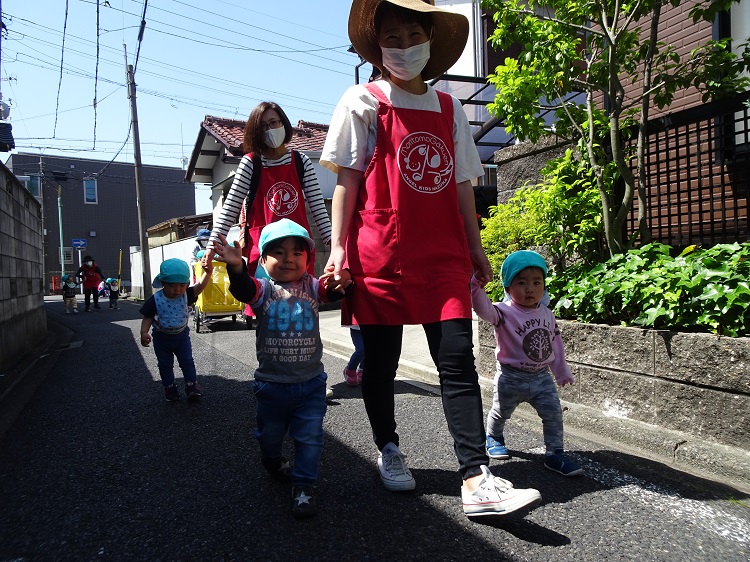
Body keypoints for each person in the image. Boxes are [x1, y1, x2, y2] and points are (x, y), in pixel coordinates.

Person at [320, 0, 541, 517]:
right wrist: (337, 249)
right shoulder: (362, 100)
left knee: (456, 360)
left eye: (413, 34)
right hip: (380, 253)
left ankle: (475, 476)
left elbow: (463, 184)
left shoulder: (448, 108)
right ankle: (389, 448)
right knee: (381, 363)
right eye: (391, 38)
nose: (403, 46)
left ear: (429, 39)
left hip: (442, 255)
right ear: (377, 47)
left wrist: (475, 247)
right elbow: (346, 181)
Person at [212, 219, 350, 519]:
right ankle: (272, 460)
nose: (289, 259)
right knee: (269, 436)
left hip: (311, 384)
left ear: (307, 259)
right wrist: (236, 268)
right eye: (279, 252)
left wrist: (342, 281)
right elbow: (243, 289)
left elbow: (333, 291)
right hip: (272, 385)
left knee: (310, 437)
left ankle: (304, 486)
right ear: (263, 260)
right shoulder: (263, 289)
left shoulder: (313, 285)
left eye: (297, 253)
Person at [471, 250, 583, 477]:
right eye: (521, 283)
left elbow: (555, 345)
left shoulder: (547, 314)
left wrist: (561, 372)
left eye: (536, 282)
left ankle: (554, 453)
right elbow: (483, 310)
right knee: (501, 411)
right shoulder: (503, 312)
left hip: (541, 377)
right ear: (508, 287)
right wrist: (476, 287)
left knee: (553, 414)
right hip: (510, 377)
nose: (530, 289)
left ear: (544, 285)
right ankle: (493, 436)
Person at [139, 258, 212, 402]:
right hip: (161, 338)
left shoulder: (186, 295)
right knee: (165, 364)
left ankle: (192, 386)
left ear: (187, 284)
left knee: (187, 361)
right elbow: (148, 316)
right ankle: (170, 387)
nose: (177, 290)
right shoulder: (156, 299)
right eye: (172, 286)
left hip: (181, 336)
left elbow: (200, 286)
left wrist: (208, 273)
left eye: (182, 285)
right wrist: (143, 332)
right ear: (163, 283)